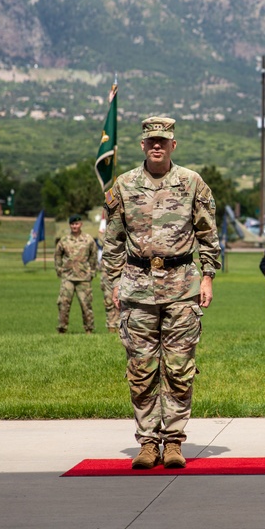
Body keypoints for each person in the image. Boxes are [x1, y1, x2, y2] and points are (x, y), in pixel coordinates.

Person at [102, 116, 220, 471]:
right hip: (137, 286)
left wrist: (208, 276)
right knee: (141, 369)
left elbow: (208, 234)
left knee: (180, 369)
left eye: (163, 140)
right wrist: (112, 285)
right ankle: (148, 441)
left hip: (182, 285)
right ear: (142, 145)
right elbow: (113, 242)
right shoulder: (123, 186)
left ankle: (173, 441)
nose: (157, 145)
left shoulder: (191, 183)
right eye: (151, 140)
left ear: (173, 145)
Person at [54, 214, 98, 334]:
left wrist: (93, 271)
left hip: (83, 277)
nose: (75, 226)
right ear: (70, 225)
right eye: (73, 224)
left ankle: (89, 329)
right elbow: (57, 254)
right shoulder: (64, 240)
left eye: (77, 224)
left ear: (81, 224)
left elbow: (94, 255)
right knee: (63, 303)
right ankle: (62, 329)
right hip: (68, 277)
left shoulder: (88, 239)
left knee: (86, 304)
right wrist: (58, 268)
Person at [98, 207, 120, 333]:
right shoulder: (106, 231)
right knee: (108, 300)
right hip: (107, 270)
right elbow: (103, 240)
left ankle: (122, 327)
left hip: (122, 269)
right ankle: (111, 327)